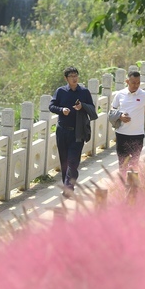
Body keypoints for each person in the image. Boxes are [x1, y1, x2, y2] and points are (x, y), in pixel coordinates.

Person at [49, 66, 97, 197]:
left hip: (78, 131)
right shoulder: (61, 91)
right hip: (62, 131)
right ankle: (67, 186)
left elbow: (92, 109)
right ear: (66, 78)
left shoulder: (84, 92)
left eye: (76, 75)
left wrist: (82, 106)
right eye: (71, 76)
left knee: (73, 162)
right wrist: (62, 110)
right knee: (65, 161)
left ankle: (68, 188)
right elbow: (51, 106)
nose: (74, 78)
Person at [109, 70, 145, 174]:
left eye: (138, 83)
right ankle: (123, 187)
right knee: (122, 164)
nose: (136, 85)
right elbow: (112, 110)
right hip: (121, 134)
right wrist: (120, 116)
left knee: (134, 164)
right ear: (127, 81)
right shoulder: (120, 94)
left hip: (137, 135)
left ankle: (133, 188)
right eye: (133, 83)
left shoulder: (144, 95)